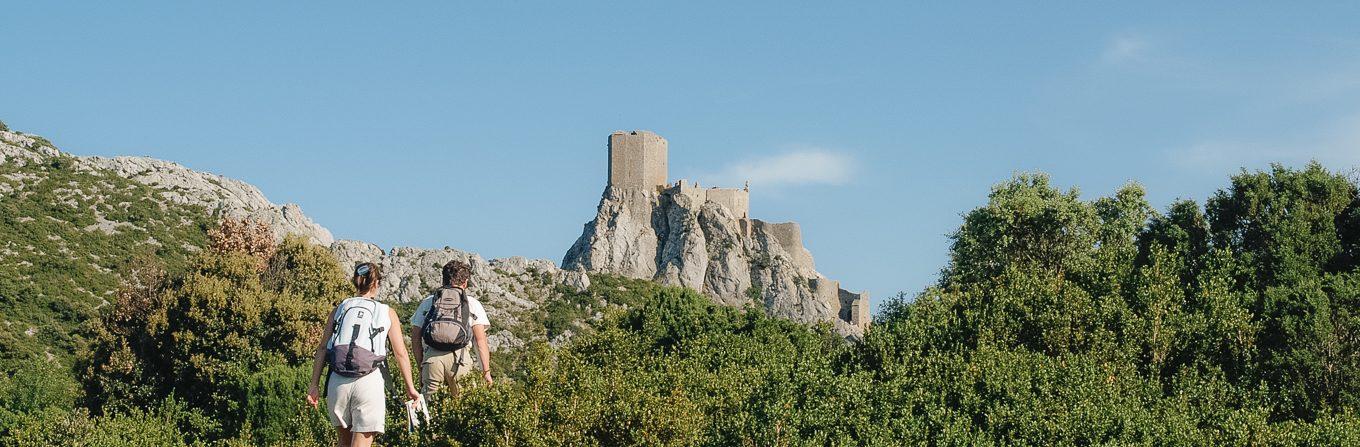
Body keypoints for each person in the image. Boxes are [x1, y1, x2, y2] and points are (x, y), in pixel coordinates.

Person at [306, 262, 420, 447]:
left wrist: (314, 385)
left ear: (355, 282)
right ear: (376, 283)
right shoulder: (387, 312)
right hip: (369, 381)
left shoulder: (340, 309)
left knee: (343, 443)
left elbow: (322, 348)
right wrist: (410, 388)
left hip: (337, 381)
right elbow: (401, 353)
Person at [410, 260, 493, 401]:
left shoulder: (428, 302)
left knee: (429, 411)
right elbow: (480, 341)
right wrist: (486, 372)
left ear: (443, 280)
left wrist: (421, 367)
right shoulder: (472, 303)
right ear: (465, 283)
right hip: (460, 360)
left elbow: (415, 338)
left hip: (432, 359)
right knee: (463, 408)